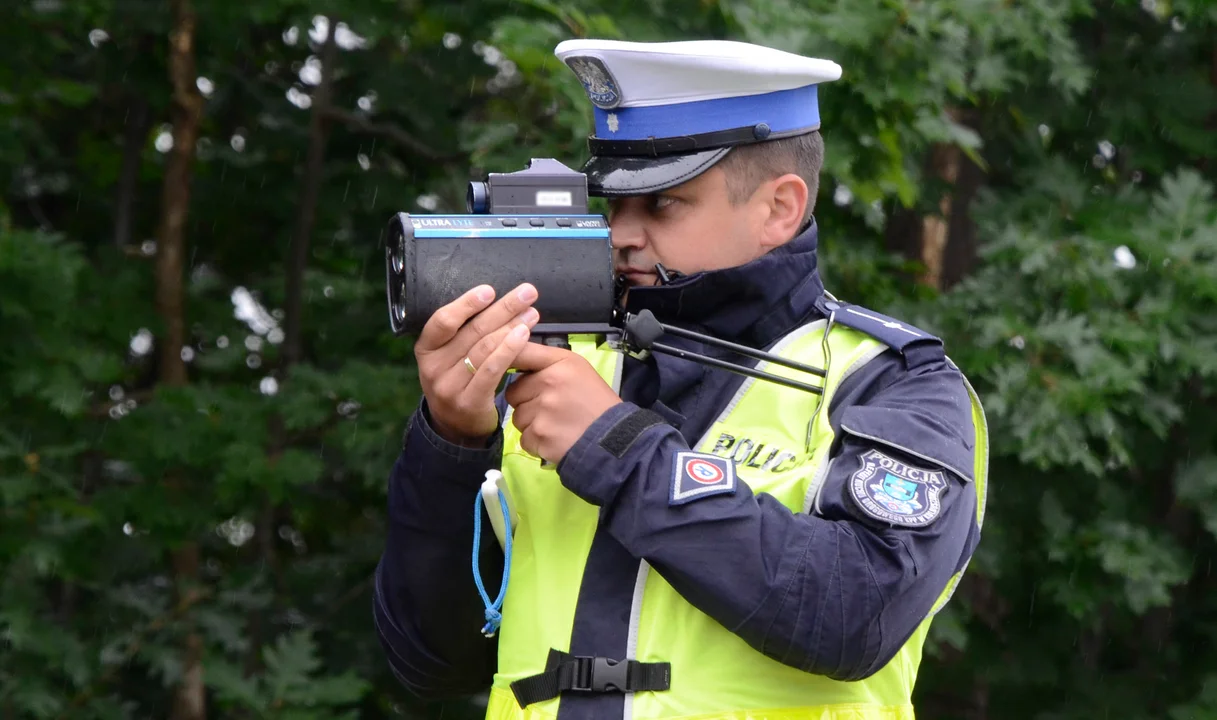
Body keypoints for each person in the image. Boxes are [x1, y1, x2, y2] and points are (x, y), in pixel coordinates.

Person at [373, 38, 988, 720]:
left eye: (661, 205)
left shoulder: (891, 383)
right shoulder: (563, 364)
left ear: (778, 208)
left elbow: (852, 617)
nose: (621, 236)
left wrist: (617, 446)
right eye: (612, 205)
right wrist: (450, 446)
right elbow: (428, 664)